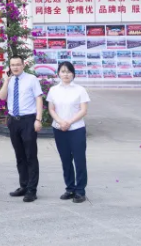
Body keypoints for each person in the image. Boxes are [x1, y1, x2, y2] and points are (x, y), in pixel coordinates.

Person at [0, 55, 44, 202]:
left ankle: (32, 190)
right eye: (12, 65)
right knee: (20, 156)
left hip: (28, 121)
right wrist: (6, 81)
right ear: (9, 67)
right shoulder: (9, 80)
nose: (15, 67)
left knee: (30, 156)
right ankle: (23, 185)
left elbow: (38, 99)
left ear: (23, 65)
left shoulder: (31, 79)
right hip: (14, 121)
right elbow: (2, 97)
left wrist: (38, 119)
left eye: (18, 64)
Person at [47, 61, 91, 203]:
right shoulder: (53, 90)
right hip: (59, 129)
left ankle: (80, 191)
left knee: (79, 160)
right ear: (58, 73)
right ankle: (70, 188)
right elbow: (51, 109)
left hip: (76, 129)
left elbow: (83, 110)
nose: (66, 74)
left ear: (73, 74)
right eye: (63, 71)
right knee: (65, 160)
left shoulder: (80, 90)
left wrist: (69, 122)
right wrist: (60, 122)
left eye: (68, 71)